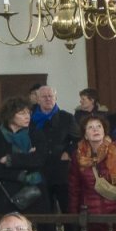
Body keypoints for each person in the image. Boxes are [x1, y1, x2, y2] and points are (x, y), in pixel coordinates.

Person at [67, 113, 116, 231]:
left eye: (99, 126)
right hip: (91, 217)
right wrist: (75, 217)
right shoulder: (78, 156)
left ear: (104, 131)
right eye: (90, 127)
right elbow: (74, 188)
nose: (95, 129)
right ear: (85, 135)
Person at [0, 96, 47, 214]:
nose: (27, 116)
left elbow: (39, 160)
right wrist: (24, 164)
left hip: (35, 193)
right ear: (10, 115)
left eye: (29, 112)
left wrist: (10, 159)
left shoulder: (36, 134)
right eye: (22, 113)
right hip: (5, 195)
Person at [30, 83, 78, 213]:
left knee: (67, 207)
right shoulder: (30, 119)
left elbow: (77, 140)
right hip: (40, 169)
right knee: (44, 208)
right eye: (44, 96)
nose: (48, 99)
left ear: (56, 98)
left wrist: (68, 152)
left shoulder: (66, 117)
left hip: (61, 169)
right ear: (38, 99)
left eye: (50, 96)